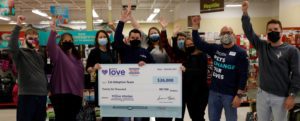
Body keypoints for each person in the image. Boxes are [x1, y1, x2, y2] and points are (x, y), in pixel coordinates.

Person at [242, 1, 300, 121]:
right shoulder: (262, 46)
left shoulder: (291, 50)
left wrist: (292, 95)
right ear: (266, 32)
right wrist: (245, 13)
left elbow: (297, 74)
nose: (272, 31)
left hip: (280, 97)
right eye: (269, 30)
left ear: (281, 31)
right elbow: (249, 32)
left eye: (275, 29)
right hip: (262, 94)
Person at [191, 16, 249, 121]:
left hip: (230, 94)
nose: (226, 35)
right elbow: (199, 44)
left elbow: (243, 75)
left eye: (228, 32)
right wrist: (195, 27)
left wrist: (239, 96)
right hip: (214, 93)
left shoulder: (240, 52)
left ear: (233, 35)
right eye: (223, 33)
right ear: (220, 36)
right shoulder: (215, 49)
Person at [113, 4, 154, 121]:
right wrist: (121, 22)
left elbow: (154, 66)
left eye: (137, 38)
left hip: (141, 90)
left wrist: (147, 65)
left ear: (140, 39)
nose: (135, 39)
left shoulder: (145, 52)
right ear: (129, 38)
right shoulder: (124, 48)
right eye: (132, 38)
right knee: (124, 118)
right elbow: (116, 40)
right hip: (125, 90)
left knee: (139, 118)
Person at [8, 15, 48, 121]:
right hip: (27, 95)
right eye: (30, 38)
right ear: (25, 39)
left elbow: (41, 72)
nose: (33, 40)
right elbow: (11, 46)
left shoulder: (40, 54)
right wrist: (18, 26)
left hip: (42, 95)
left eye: (35, 38)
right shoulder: (20, 53)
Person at [47, 20, 84, 121]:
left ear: (73, 42)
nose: (68, 42)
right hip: (61, 94)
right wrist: (53, 31)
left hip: (76, 95)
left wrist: (81, 93)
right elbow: (50, 46)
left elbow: (80, 77)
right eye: (65, 41)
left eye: (70, 41)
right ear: (61, 42)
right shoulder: (58, 54)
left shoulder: (77, 58)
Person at [86, 30, 118, 121]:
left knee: (111, 105)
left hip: (112, 84)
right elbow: (88, 68)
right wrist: (94, 68)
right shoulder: (94, 52)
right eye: (100, 37)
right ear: (97, 39)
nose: (102, 38)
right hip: (99, 84)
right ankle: (99, 119)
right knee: (99, 105)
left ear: (107, 39)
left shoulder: (112, 52)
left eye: (104, 36)